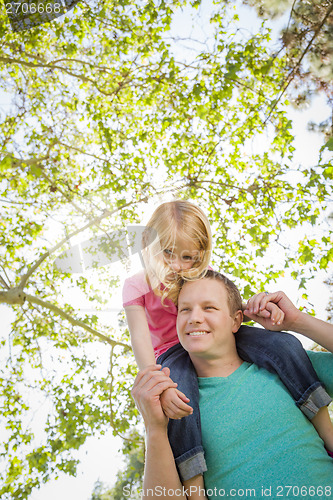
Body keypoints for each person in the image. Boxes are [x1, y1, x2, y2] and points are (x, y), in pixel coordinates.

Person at [123, 200, 333, 489]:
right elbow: (139, 337)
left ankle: (327, 432)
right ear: (147, 243)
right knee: (180, 404)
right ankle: (194, 486)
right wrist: (155, 380)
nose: (176, 266)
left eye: (187, 258)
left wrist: (280, 317)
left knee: (284, 344)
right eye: (167, 253)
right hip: (170, 355)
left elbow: (221, 306)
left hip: (230, 333)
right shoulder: (137, 286)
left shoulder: (193, 277)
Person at [132, 272, 333, 499]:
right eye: (185, 309)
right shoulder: (174, 407)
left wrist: (299, 321)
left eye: (209, 308)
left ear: (236, 320)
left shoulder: (286, 366)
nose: (194, 318)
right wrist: (154, 429)